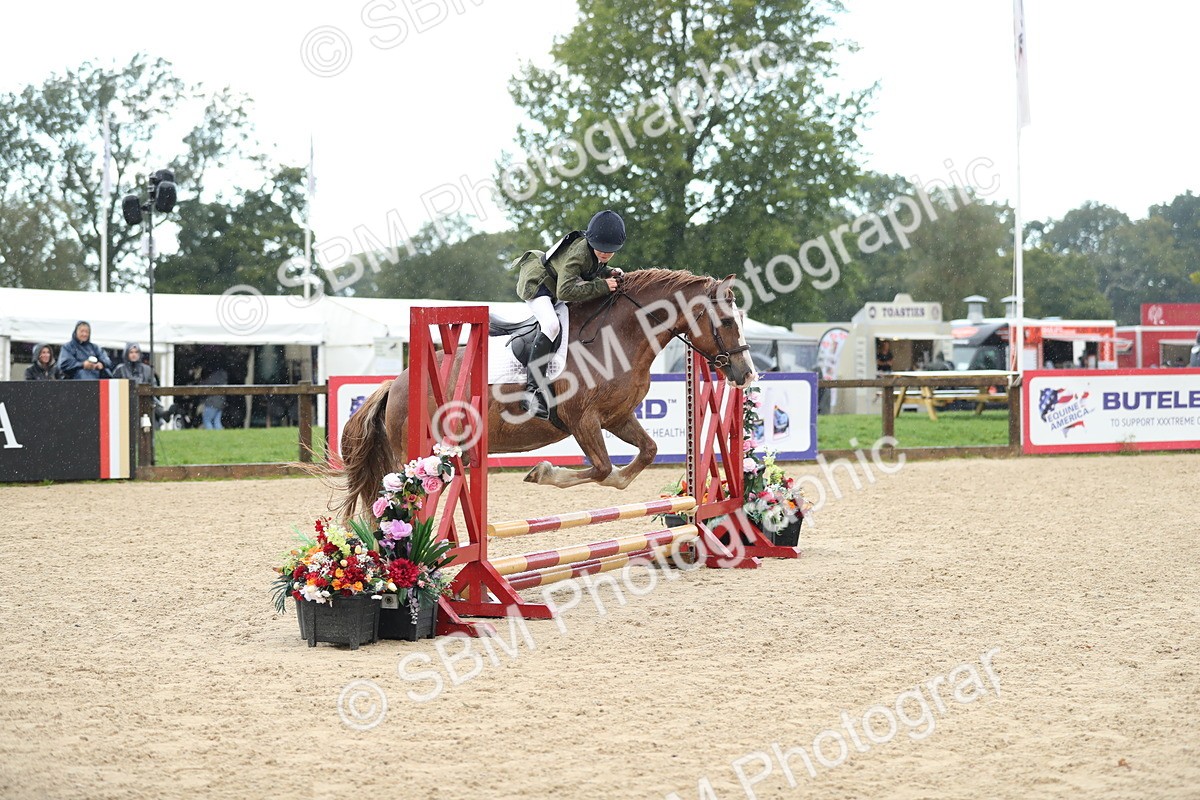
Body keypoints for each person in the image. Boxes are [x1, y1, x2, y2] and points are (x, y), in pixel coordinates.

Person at [512, 210, 626, 418]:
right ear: (592, 241)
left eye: (610, 251)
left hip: (555, 285)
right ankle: (532, 392)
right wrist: (602, 286)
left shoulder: (595, 251)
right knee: (551, 325)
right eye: (601, 249)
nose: (604, 253)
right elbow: (564, 291)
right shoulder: (579, 252)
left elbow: (589, 270)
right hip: (538, 285)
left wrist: (607, 272)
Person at [112, 343, 176, 425]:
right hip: (125, 400)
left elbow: (154, 386)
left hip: (145, 399)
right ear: (126, 354)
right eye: (131, 352)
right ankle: (161, 413)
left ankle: (163, 413)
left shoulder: (147, 369)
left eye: (136, 352)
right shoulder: (120, 369)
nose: (134, 355)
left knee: (149, 398)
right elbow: (113, 387)